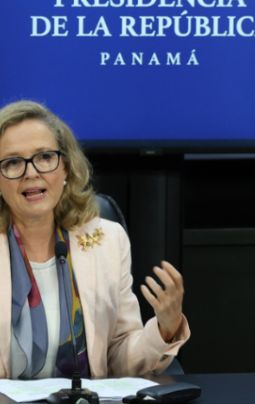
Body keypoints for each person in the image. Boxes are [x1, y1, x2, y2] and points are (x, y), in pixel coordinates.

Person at [0, 100, 189, 379]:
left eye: (45, 157)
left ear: (65, 168)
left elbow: (120, 358)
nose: (31, 172)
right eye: (13, 162)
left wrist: (165, 328)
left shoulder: (107, 242)